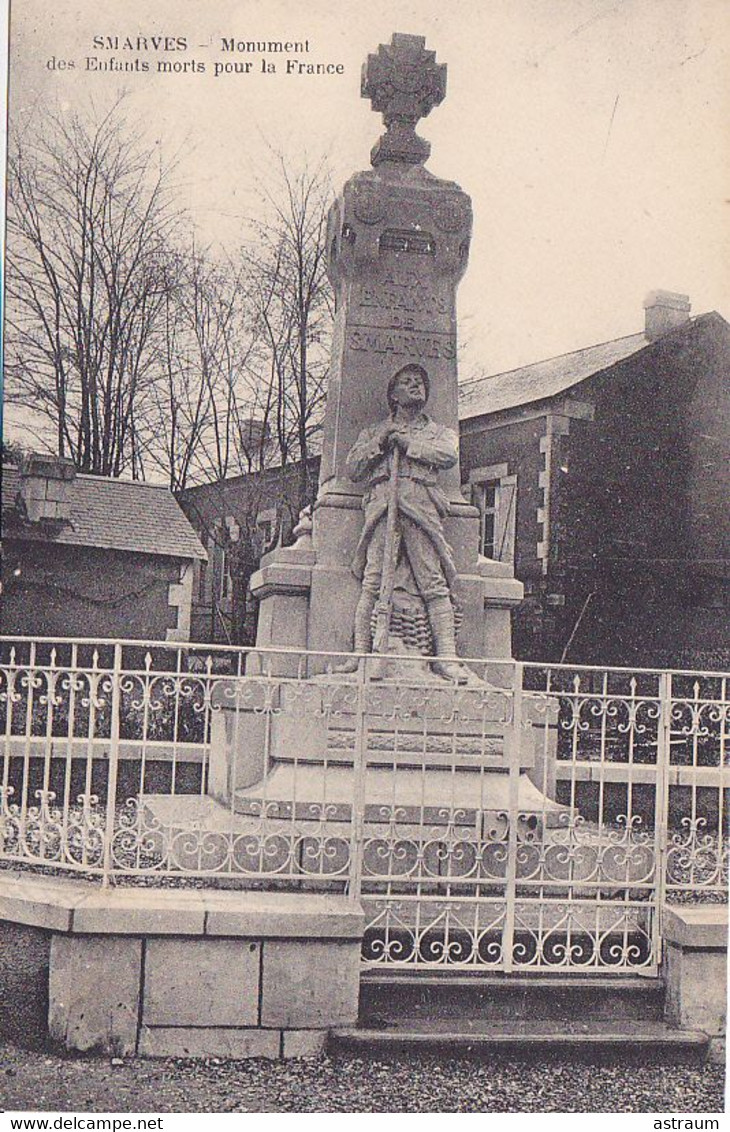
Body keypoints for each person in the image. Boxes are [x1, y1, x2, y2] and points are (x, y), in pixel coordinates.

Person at [342, 362, 471, 682]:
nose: (416, 386)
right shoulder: (374, 432)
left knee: (432, 579)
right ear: (393, 395)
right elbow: (354, 469)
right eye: (408, 382)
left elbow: (447, 455)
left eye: (420, 382)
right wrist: (382, 442)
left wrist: (409, 445)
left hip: (419, 505)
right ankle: (361, 654)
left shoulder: (439, 432)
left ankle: (446, 657)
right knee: (373, 580)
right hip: (383, 506)